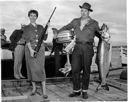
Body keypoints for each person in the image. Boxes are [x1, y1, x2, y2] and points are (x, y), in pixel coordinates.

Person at [56, 2, 101, 99]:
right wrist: (57, 32)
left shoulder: (94, 23)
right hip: (77, 47)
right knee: (75, 69)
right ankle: (76, 90)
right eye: (82, 10)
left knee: (86, 70)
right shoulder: (75, 21)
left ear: (89, 12)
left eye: (85, 11)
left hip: (88, 48)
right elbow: (66, 27)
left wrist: (105, 35)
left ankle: (84, 91)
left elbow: (100, 34)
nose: (83, 12)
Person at [20, 9, 48, 99]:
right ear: (29, 16)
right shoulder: (26, 27)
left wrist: (46, 30)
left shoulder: (40, 27)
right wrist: (31, 50)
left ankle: (44, 91)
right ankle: (34, 88)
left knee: (41, 69)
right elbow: (27, 40)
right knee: (31, 69)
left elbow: (45, 38)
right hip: (30, 49)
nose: (33, 17)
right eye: (31, 15)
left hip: (40, 50)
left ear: (37, 17)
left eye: (34, 16)